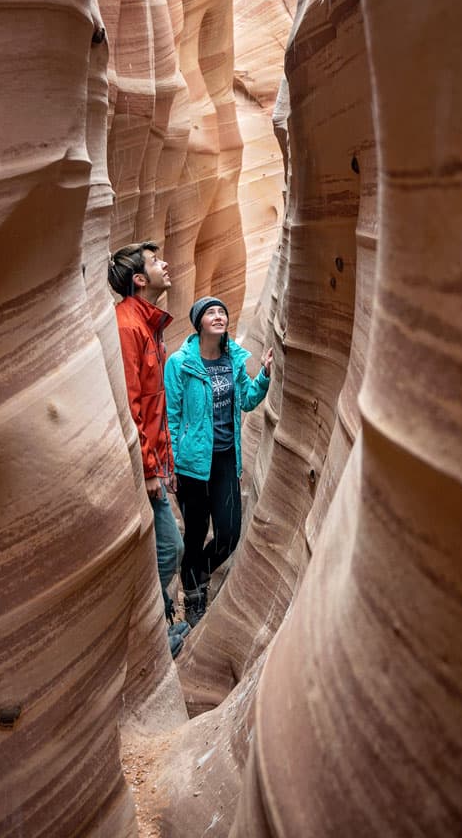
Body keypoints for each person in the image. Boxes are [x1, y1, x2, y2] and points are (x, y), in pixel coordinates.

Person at [164, 296, 273, 627]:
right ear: (199, 323)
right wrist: (168, 463)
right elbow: (171, 414)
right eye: (210, 313)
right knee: (195, 533)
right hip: (191, 464)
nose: (218, 317)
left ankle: (199, 573)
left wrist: (265, 375)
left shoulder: (234, 361)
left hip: (226, 460)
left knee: (229, 534)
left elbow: (249, 400)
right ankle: (194, 596)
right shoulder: (180, 363)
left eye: (221, 313)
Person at [108, 241, 189, 658]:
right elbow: (132, 402)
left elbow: (155, 405)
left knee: (165, 547)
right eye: (157, 262)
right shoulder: (128, 326)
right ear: (140, 279)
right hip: (141, 468)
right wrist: (149, 468)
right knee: (168, 548)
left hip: (154, 463)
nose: (166, 264)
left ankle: (158, 630)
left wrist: (166, 463)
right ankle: (151, 640)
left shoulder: (147, 326)